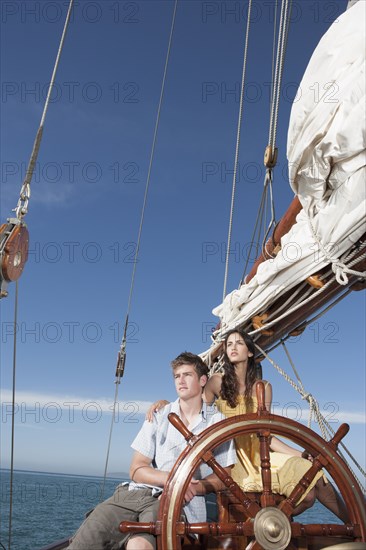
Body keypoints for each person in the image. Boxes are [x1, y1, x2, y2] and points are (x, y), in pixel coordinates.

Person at [147, 329, 349, 522]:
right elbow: (195, 408)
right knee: (308, 492)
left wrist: (300, 454)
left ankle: (358, 524)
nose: (232, 347)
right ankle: (267, 525)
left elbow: (266, 437)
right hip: (230, 458)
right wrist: (166, 403)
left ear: (250, 351)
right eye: (229, 344)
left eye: (239, 343)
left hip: (258, 456)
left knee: (314, 479)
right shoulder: (216, 381)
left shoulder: (264, 388)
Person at [67, 352, 236, 550]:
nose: (180, 380)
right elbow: (136, 469)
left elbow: (224, 477)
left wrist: (191, 487)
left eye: (187, 375)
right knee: (88, 535)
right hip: (134, 494)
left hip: (175, 502)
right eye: (176, 376)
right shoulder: (159, 415)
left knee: (139, 545)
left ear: (202, 380)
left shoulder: (218, 423)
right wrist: (173, 479)